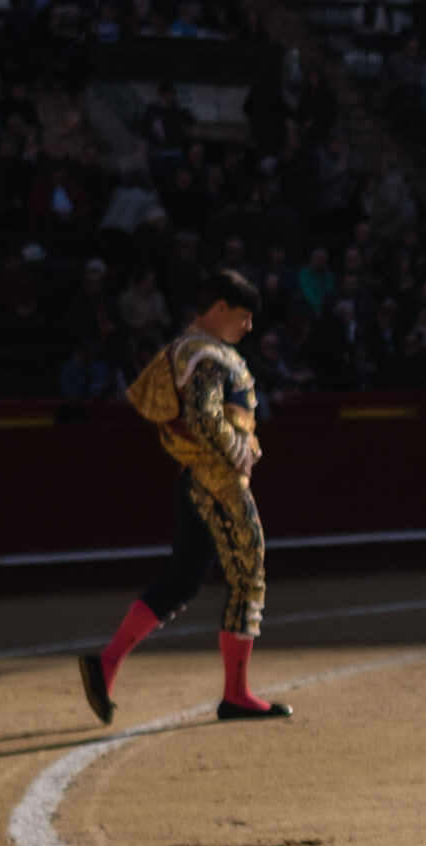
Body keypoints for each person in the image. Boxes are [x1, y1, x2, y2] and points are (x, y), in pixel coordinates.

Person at [79, 270, 291, 726]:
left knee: (184, 580)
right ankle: (236, 694)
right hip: (217, 480)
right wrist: (238, 454)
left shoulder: (183, 350)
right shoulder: (207, 355)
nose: (248, 327)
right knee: (248, 574)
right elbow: (202, 415)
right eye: (242, 316)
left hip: (193, 476)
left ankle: (107, 662)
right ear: (217, 310)